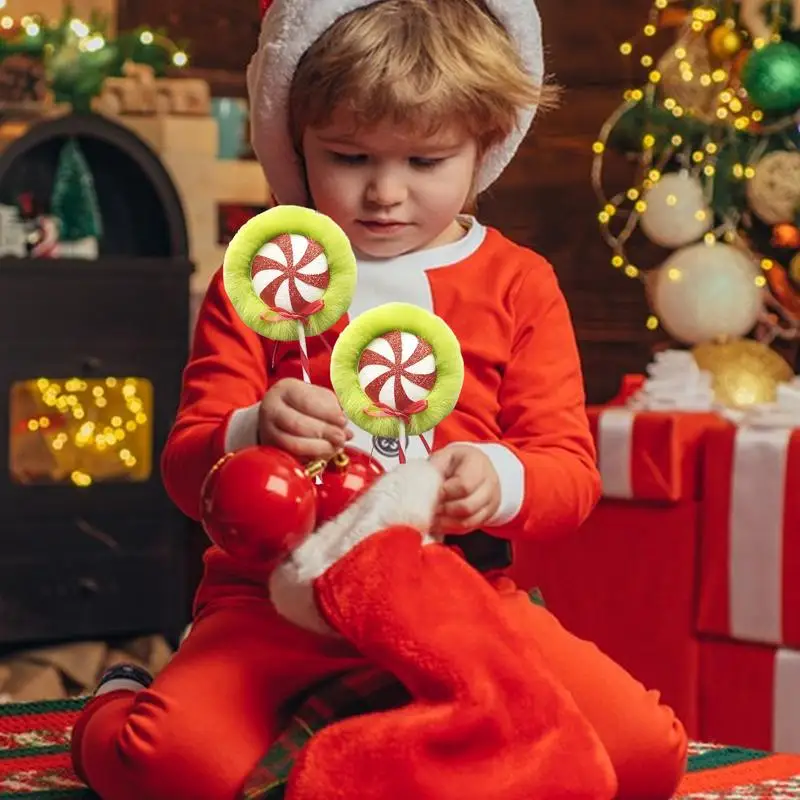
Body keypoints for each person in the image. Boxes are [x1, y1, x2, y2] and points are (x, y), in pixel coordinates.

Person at [70, 1, 688, 798]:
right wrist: (253, 428)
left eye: (426, 162)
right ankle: (114, 701)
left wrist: (497, 478)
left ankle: (381, 738)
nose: (384, 194)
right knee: (168, 764)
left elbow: (569, 477)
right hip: (272, 602)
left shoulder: (519, 285)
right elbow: (187, 474)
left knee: (642, 756)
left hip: (461, 597)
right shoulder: (263, 277)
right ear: (294, 141)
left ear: (486, 144)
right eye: (350, 156)